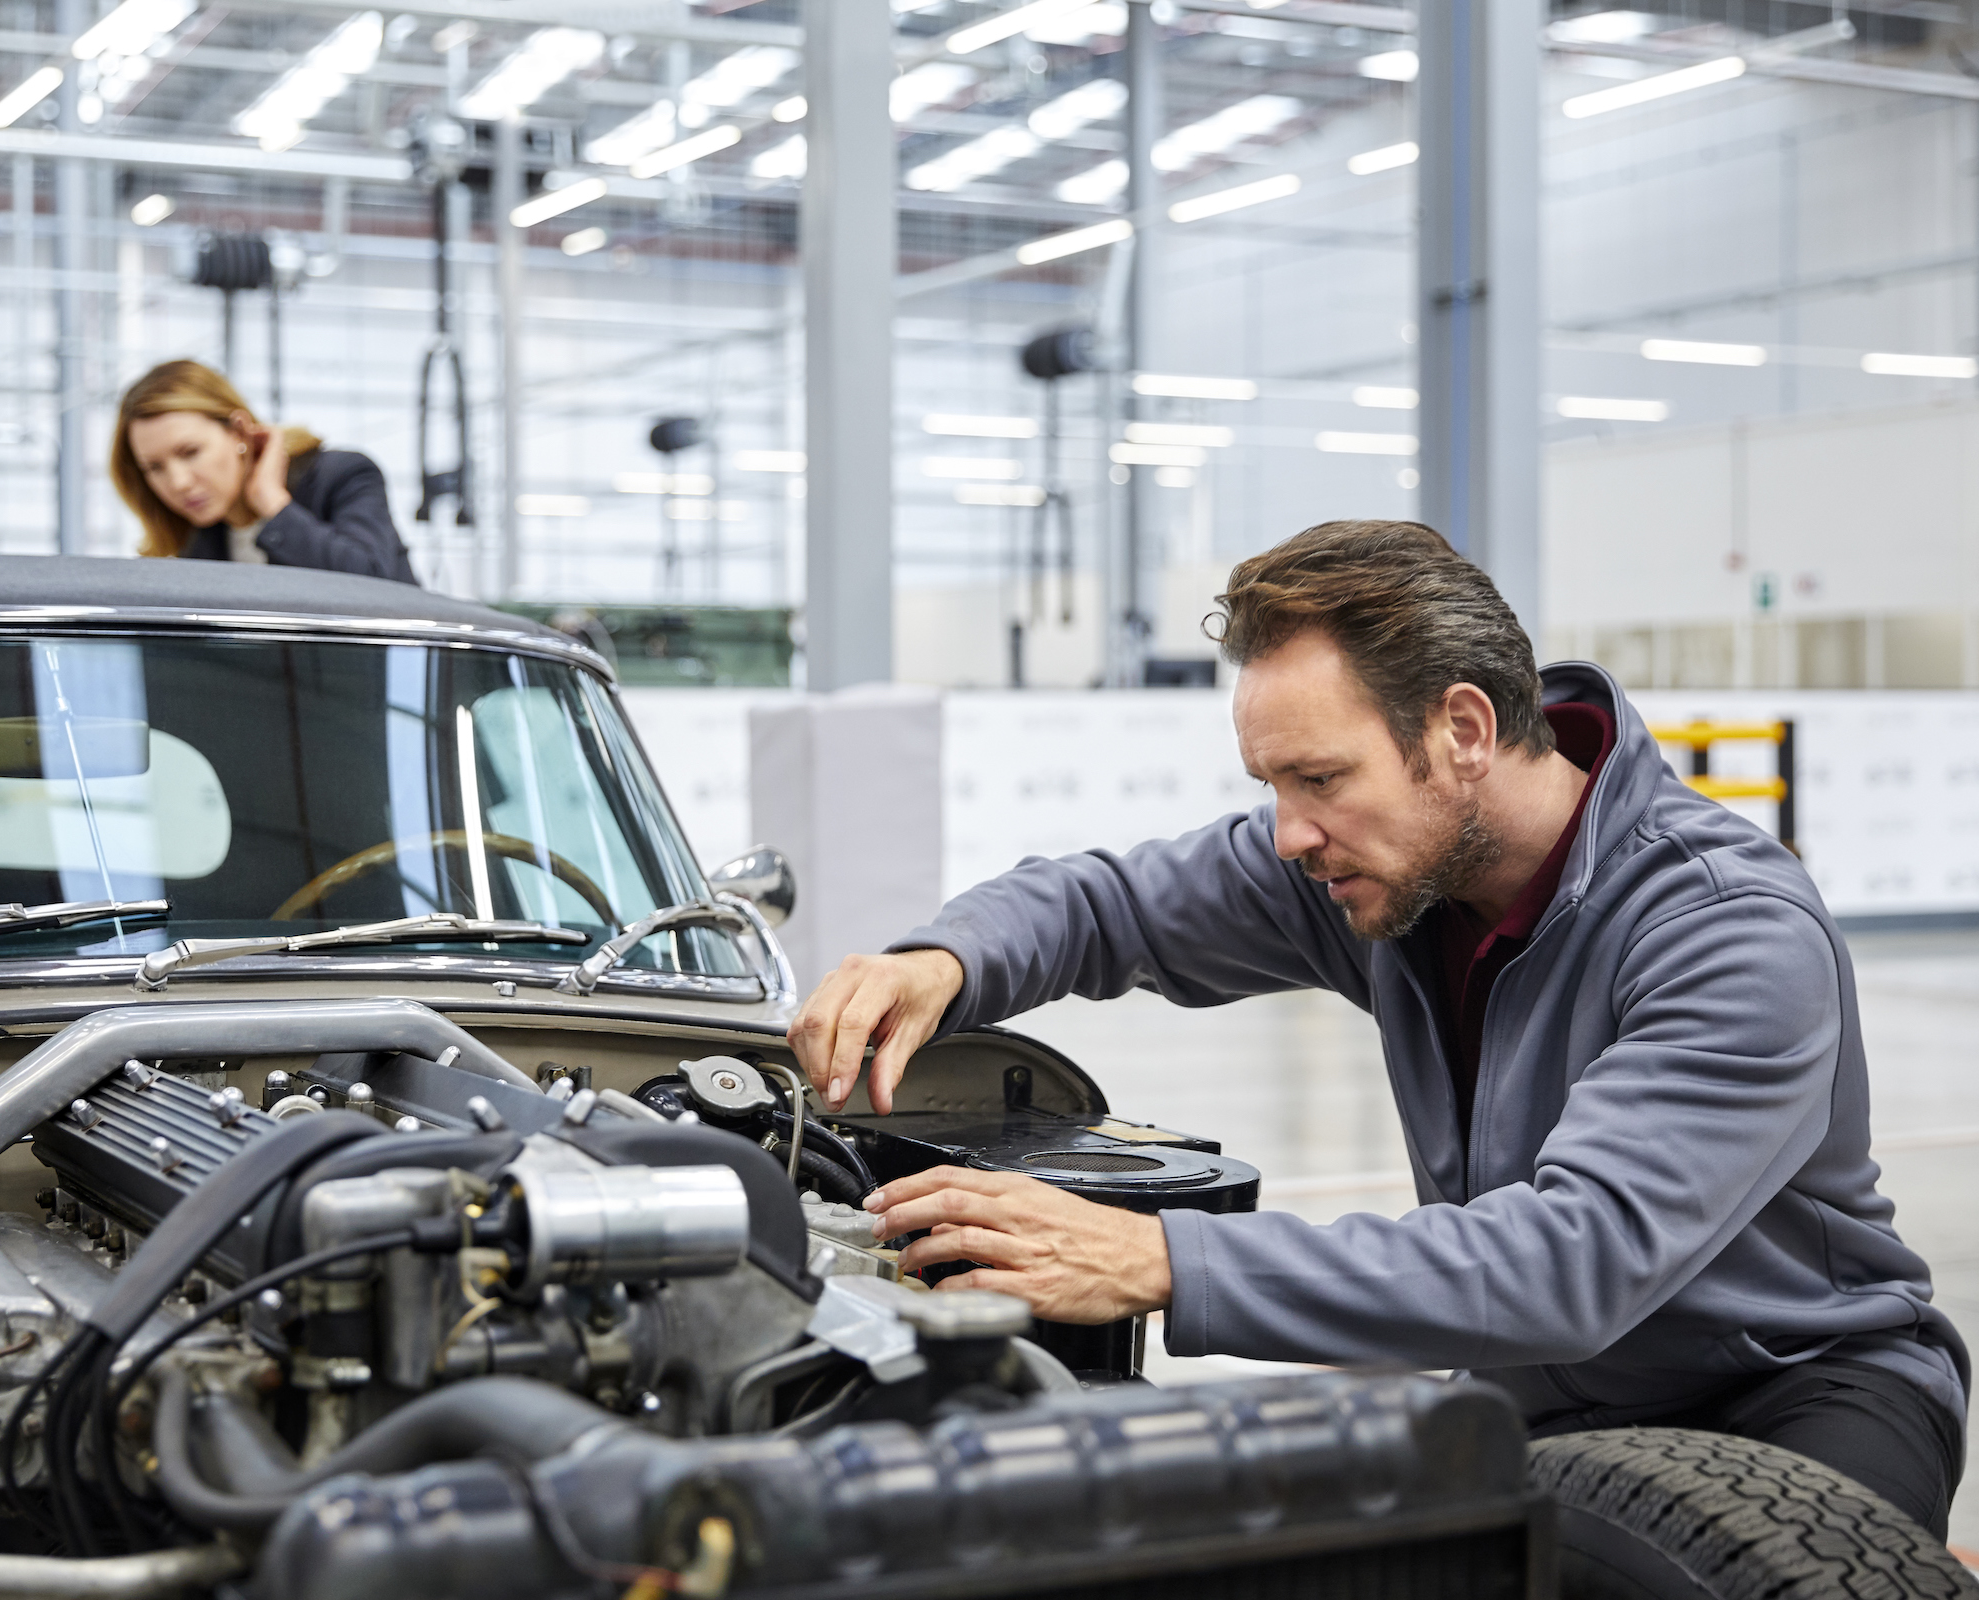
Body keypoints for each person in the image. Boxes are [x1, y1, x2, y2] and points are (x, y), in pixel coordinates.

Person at [787, 520, 1967, 1537]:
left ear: (1461, 730)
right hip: (1546, 1394)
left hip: (1794, 1389)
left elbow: (1571, 1261)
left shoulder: (1726, 930)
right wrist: (941, 958)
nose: (1290, 832)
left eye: (1319, 778)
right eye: (1272, 788)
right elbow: (1109, 901)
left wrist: (1156, 1259)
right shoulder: (1380, 868)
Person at [110, 359, 417, 581]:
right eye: (154, 467)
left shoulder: (342, 475)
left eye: (190, 452)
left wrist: (272, 503)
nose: (177, 483)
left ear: (238, 433)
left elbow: (371, 581)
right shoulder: (202, 542)